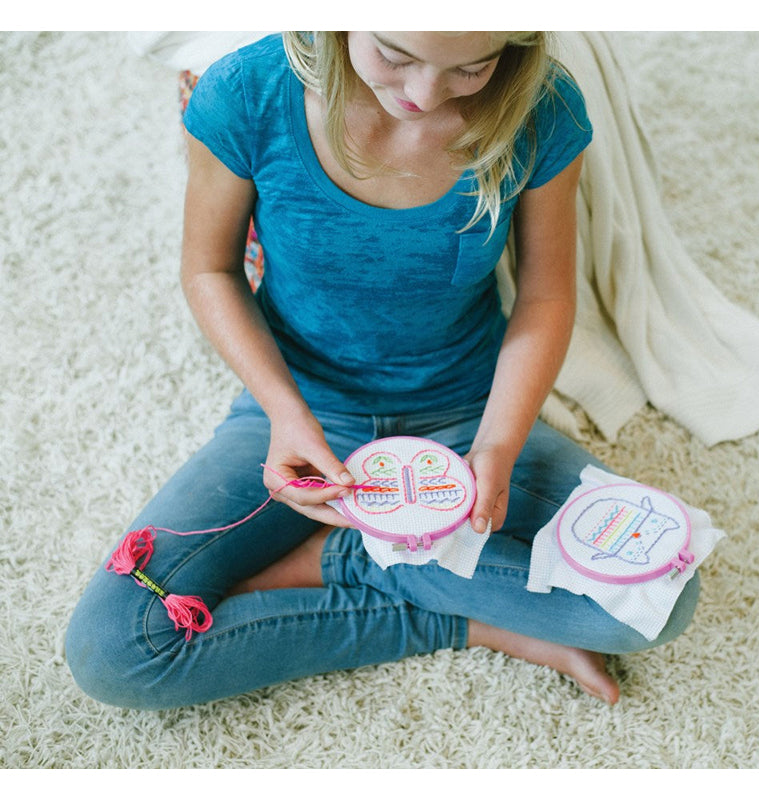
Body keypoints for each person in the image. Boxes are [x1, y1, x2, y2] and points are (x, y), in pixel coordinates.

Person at [65, 31, 699, 709]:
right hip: (303, 413)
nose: (423, 95)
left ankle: (341, 557)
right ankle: (462, 616)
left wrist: (499, 443)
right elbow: (208, 270)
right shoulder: (245, 92)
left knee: (661, 598)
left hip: (466, 415)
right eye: (395, 57)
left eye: (472, 69)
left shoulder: (541, 105)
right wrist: (283, 412)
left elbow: (546, 296)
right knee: (115, 649)